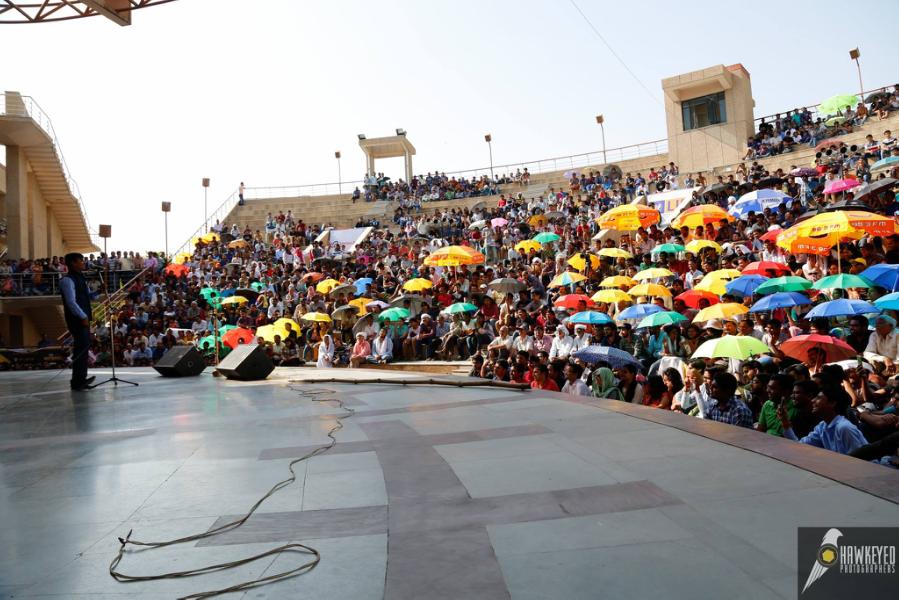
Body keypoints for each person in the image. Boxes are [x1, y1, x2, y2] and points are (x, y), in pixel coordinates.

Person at [778, 385, 868, 455]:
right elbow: (799, 446)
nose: (812, 401)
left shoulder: (844, 428)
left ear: (832, 403)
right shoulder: (822, 427)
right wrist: (785, 422)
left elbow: (860, 460)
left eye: (818, 398)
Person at [60, 252, 94, 391]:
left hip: (83, 318)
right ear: (73, 263)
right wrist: (83, 316)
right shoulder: (67, 280)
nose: (83, 262)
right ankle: (77, 381)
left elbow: (87, 296)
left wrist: (98, 292)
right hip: (77, 319)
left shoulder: (81, 278)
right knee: (80, 349)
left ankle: (81, 378)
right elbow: (71, 302)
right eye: (81, 260)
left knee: (84, 349)